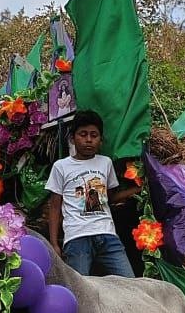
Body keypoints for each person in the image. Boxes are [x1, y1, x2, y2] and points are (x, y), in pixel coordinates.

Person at [46, 110, 139, 278]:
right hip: (76, 238)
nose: (88, 140)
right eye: (83, 134)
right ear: (73, 138)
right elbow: (54, 207)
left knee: (131, 283)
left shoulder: (106, 163)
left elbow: (108, 198)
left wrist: (136, 190)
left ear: (101, 140)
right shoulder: (61, 167)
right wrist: (54, 243)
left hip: (108, 235)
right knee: (81, 291)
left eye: (94, 135)